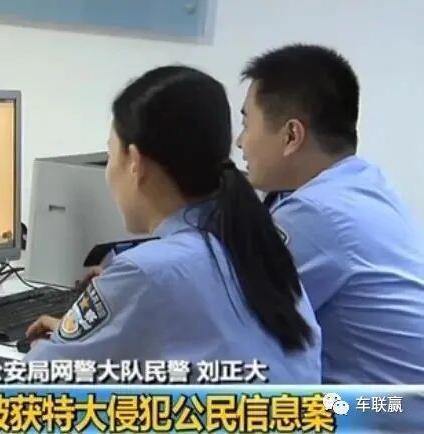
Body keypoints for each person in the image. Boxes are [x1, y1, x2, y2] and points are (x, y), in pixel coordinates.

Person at [23, 65, 322, 383]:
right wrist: (90, 336)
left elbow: (31, 384)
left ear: (135, 162)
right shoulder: (257, 247)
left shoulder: (147, 272)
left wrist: (52, 348)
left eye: (111, 154)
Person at [237, 43, 424, 384]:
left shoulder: (316, 215)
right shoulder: (364, 181)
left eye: (247, 123)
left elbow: (224, 313)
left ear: (291, 135)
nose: (240, 142)